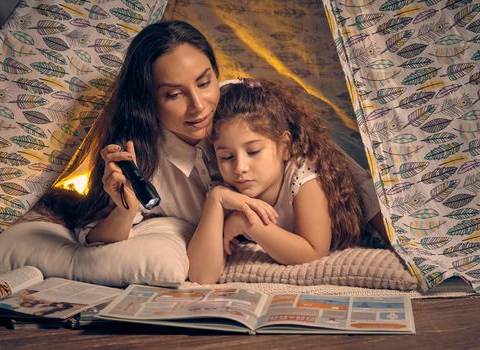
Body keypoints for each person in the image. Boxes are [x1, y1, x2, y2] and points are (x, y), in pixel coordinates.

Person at [40, 20, 386, 273]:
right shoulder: (141, 157)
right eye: (174, 95)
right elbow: (98, 237)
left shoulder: (240, 106)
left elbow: (334, 167)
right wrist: (126, 208)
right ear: (148, 101)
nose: (200, 105)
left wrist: (400, 235)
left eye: (205, 82)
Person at [187, 78, 370, 284]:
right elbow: (201, 276)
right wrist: (216, 198)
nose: (239, 168)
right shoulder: (227, 191)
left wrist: (248, 224)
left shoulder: (303, 177)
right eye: (227, 157)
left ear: (285, 146)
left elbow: (313, 251)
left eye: (253, 151)